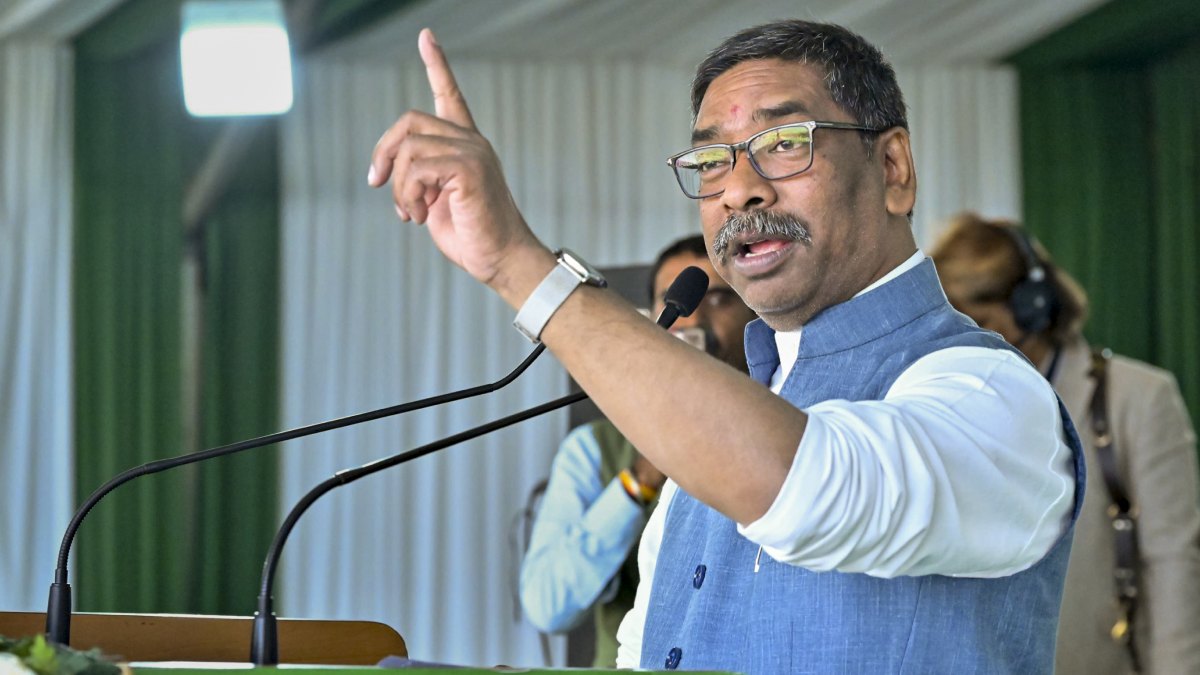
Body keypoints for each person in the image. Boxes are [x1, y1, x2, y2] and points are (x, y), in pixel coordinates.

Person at [367, 20, 1083, 673]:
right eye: (712, 160)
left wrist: (517, 265)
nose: (739, 189)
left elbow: (810, 487)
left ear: (893, 167)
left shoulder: (991, 393)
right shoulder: (721, 420)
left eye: (785, 143)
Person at [930, 213, 1200, 675]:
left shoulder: (1138, 399)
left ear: (1032, 307)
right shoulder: (948, 406)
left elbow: (1174, 563)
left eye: (982, 322)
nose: (965, 343)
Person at [519, 235, 757, 668]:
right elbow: (547, 605)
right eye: (678, 303)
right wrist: (638, 482)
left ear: (753, 313)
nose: (694, 319)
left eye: (719, 299)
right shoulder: (592, 449)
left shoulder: (788, 431)